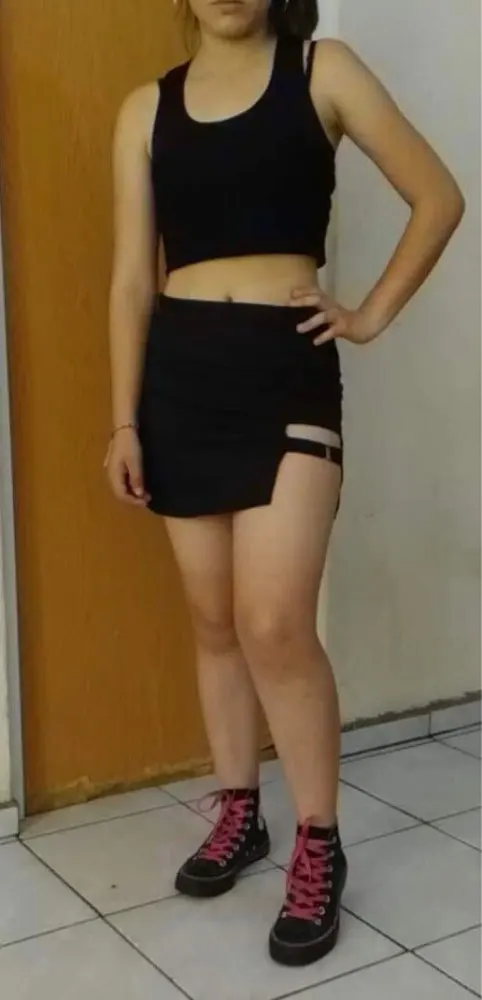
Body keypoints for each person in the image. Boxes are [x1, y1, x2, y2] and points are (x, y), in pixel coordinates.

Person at [105, 0, 464, 968]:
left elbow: (438, 195)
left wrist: (368, 314)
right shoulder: (145, 110)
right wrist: (123, 421)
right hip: (179, 380)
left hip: (285, 372)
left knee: (273, 621)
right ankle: (239, 811)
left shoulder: (322, 71)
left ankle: (317, 840)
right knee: (214, 618)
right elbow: (131, 279)